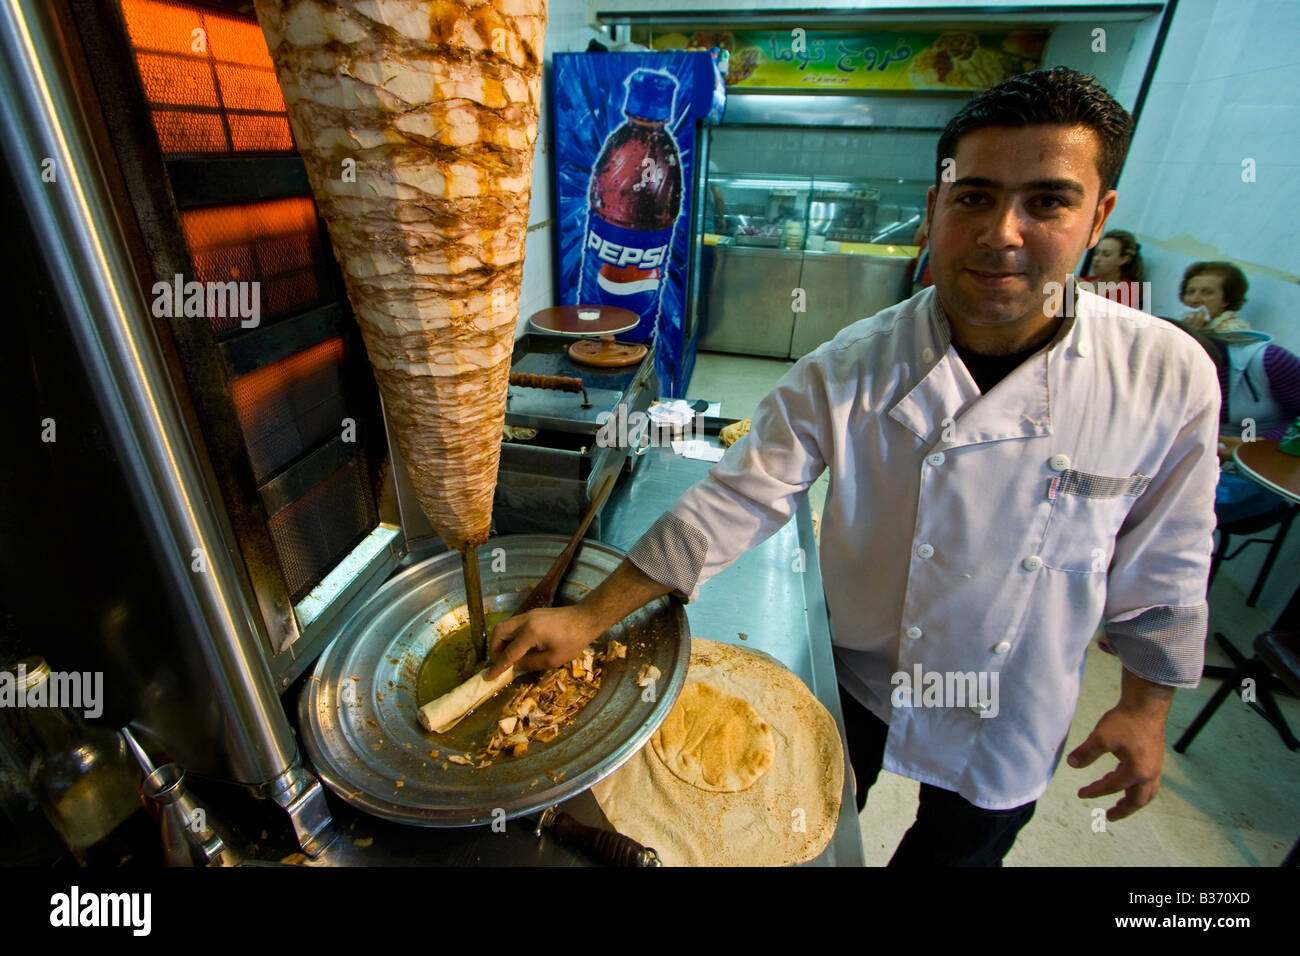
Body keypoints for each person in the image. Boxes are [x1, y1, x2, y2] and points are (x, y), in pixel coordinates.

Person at [489, 68, 1220, 866]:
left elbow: (1171, 560)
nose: (1002, 232)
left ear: (1098, 216)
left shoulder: (1164, 376)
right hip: (860, 677)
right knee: (811, 824)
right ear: (935, 208)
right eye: (973, 196)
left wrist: (1147, 710)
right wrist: (587, 616)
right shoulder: (853, 364)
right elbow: (735, 499)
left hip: (1013, 703)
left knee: (957, 856)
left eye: (1047, 201)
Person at [1178, 324, 1300, 522]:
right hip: (1209, 465)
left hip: (1265, 473)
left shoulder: (1270, 362)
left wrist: (1256, 445)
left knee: (1177, 506)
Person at [1178, 261, 1252, 332]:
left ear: (1226, 300)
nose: (1194, 299)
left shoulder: (1233, 333)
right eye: (1191, 292)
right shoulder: (1183, 324)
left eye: (1208, 293)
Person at [1080, 228, 1144, 306]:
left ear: (1123, 259)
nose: (1097, 259)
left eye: (1106, 254)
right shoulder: (1086, 281)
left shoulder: (1128, 290)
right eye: (1096, 253)